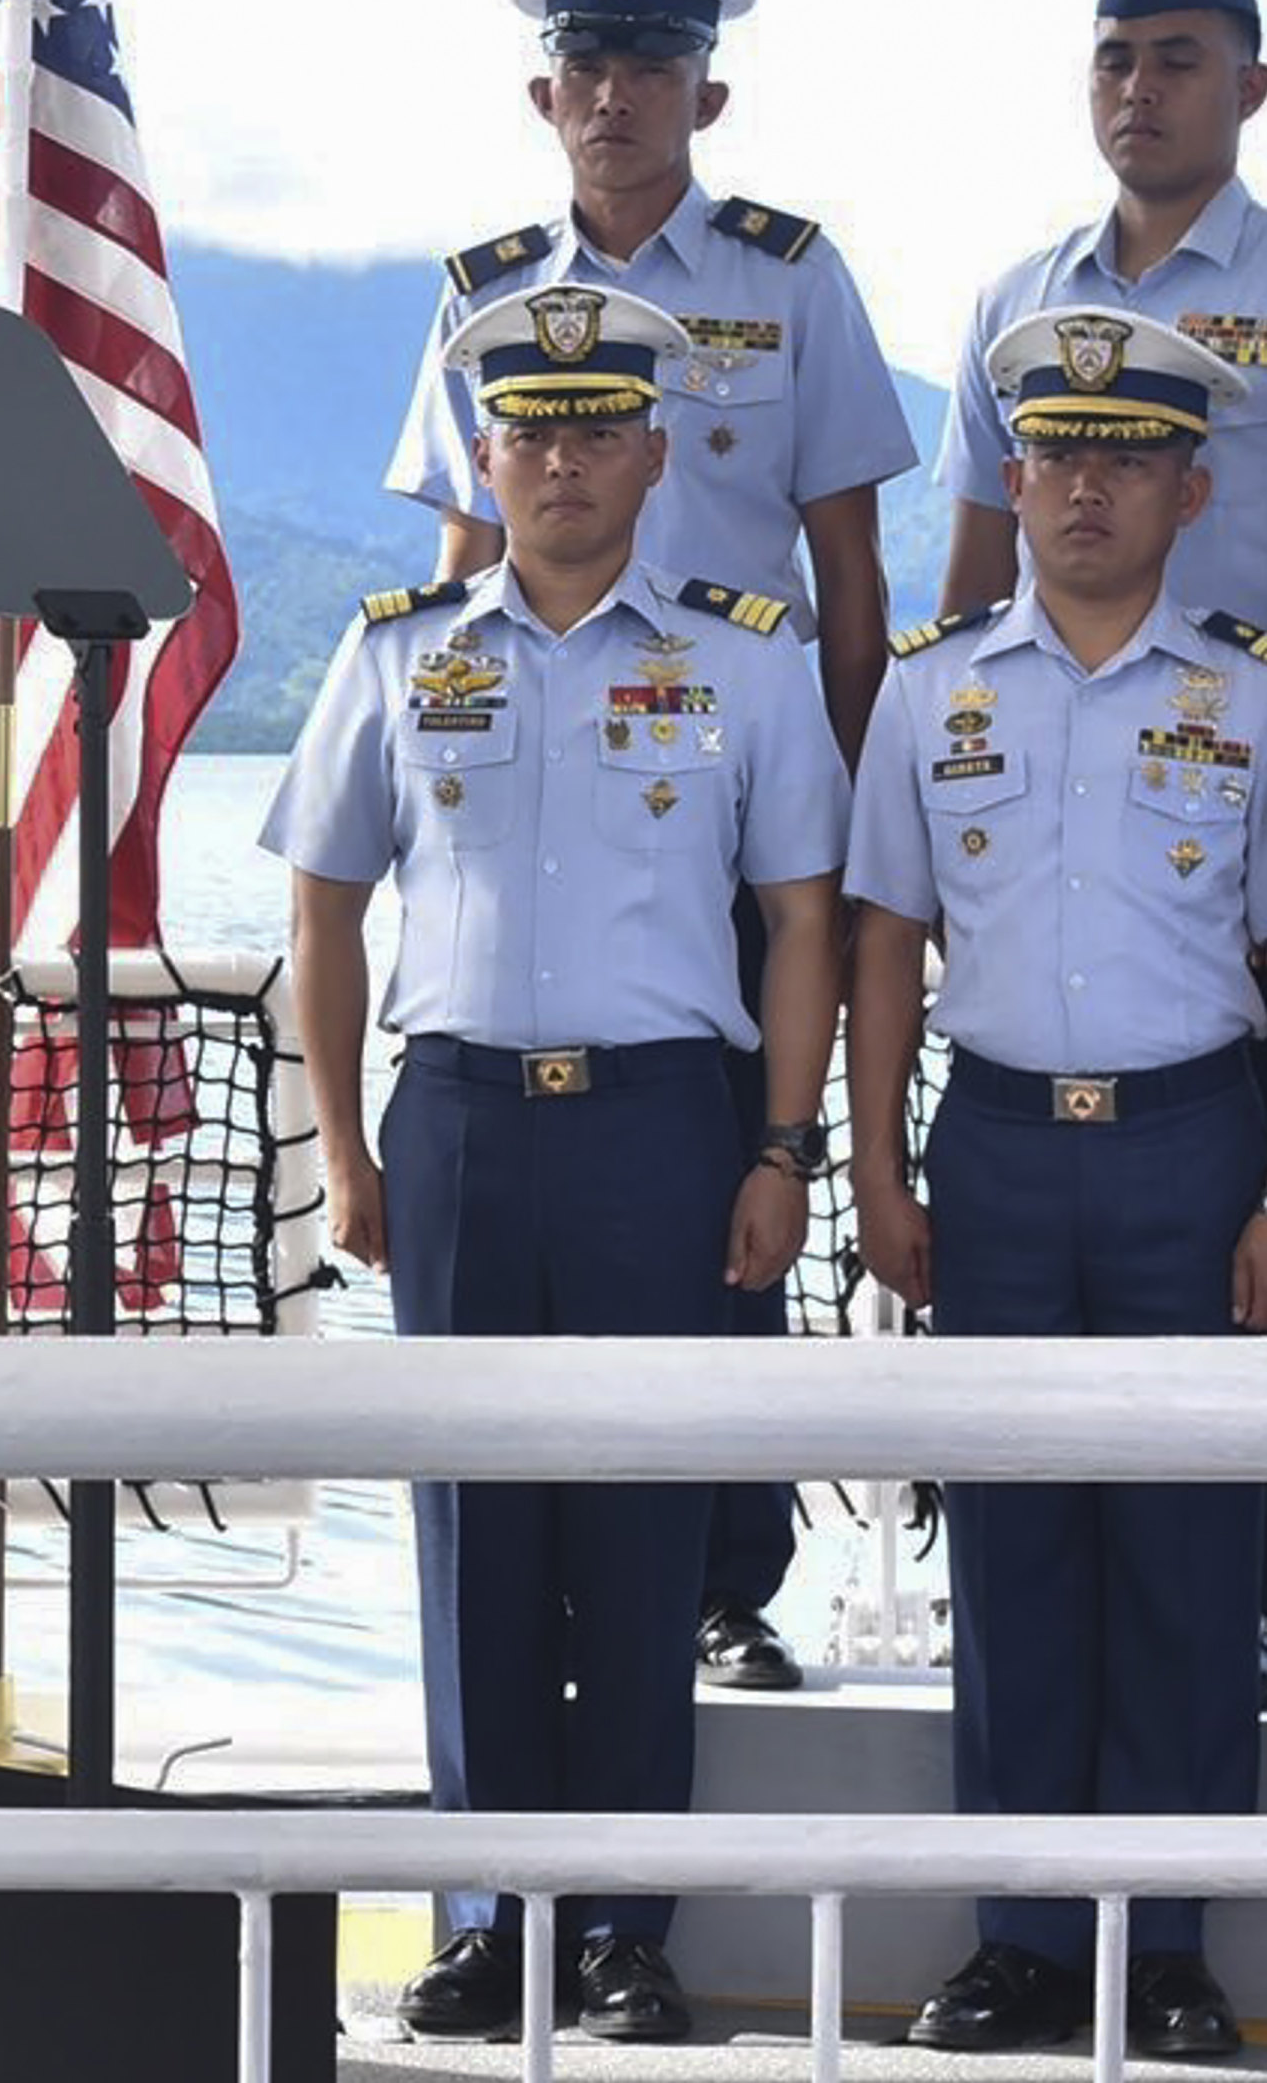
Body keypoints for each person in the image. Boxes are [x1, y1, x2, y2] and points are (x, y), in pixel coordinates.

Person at [270, 284, 844, 2045]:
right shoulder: (396, 654)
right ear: (486, 454)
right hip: (452, 1124)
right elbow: (322, 895)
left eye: (601, 428)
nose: (566, 458)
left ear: (659, 454)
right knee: (474, 1541)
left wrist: (783, 1148)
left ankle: (620, 1932)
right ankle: (486, 1918)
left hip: (669, 1129)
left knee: (645, 1538)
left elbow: (805, 917)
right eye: (532, 429)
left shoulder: (748, 655)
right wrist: (344, 1141)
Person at [388, 0, 912, 1692]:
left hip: (744, 791)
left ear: (710, 90)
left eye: (648, 64)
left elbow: (853, 572)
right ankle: (542, 1593)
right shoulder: (476, 289)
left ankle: (724, 1575)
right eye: (585, 65)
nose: (614, 95)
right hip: (551, 792)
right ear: (545, 93)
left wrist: (844, 827)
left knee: (732, 1193)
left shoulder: (787, 280)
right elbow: (460, 550)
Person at [849, 304, 1263, 2059]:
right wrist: (870, 1166)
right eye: (1060, 456)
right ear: (1012, 482)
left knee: (1187, 1555)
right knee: (1011, 1551)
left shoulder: (1247, 696)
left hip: (1196, 1141)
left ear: (1191, 488)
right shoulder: (932, 690)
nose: (1088, 487)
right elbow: (881, 944)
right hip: (1000, 1146)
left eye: (1128, 458)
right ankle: (1022, 1939)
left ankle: (1163, 1950)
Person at [934, 0, 1267, 622]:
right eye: (1114, 61)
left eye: (1176, 63)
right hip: (1040, 725)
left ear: (1248, 91)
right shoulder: (1014, 304)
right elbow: (976, 579)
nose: (1137, 88)